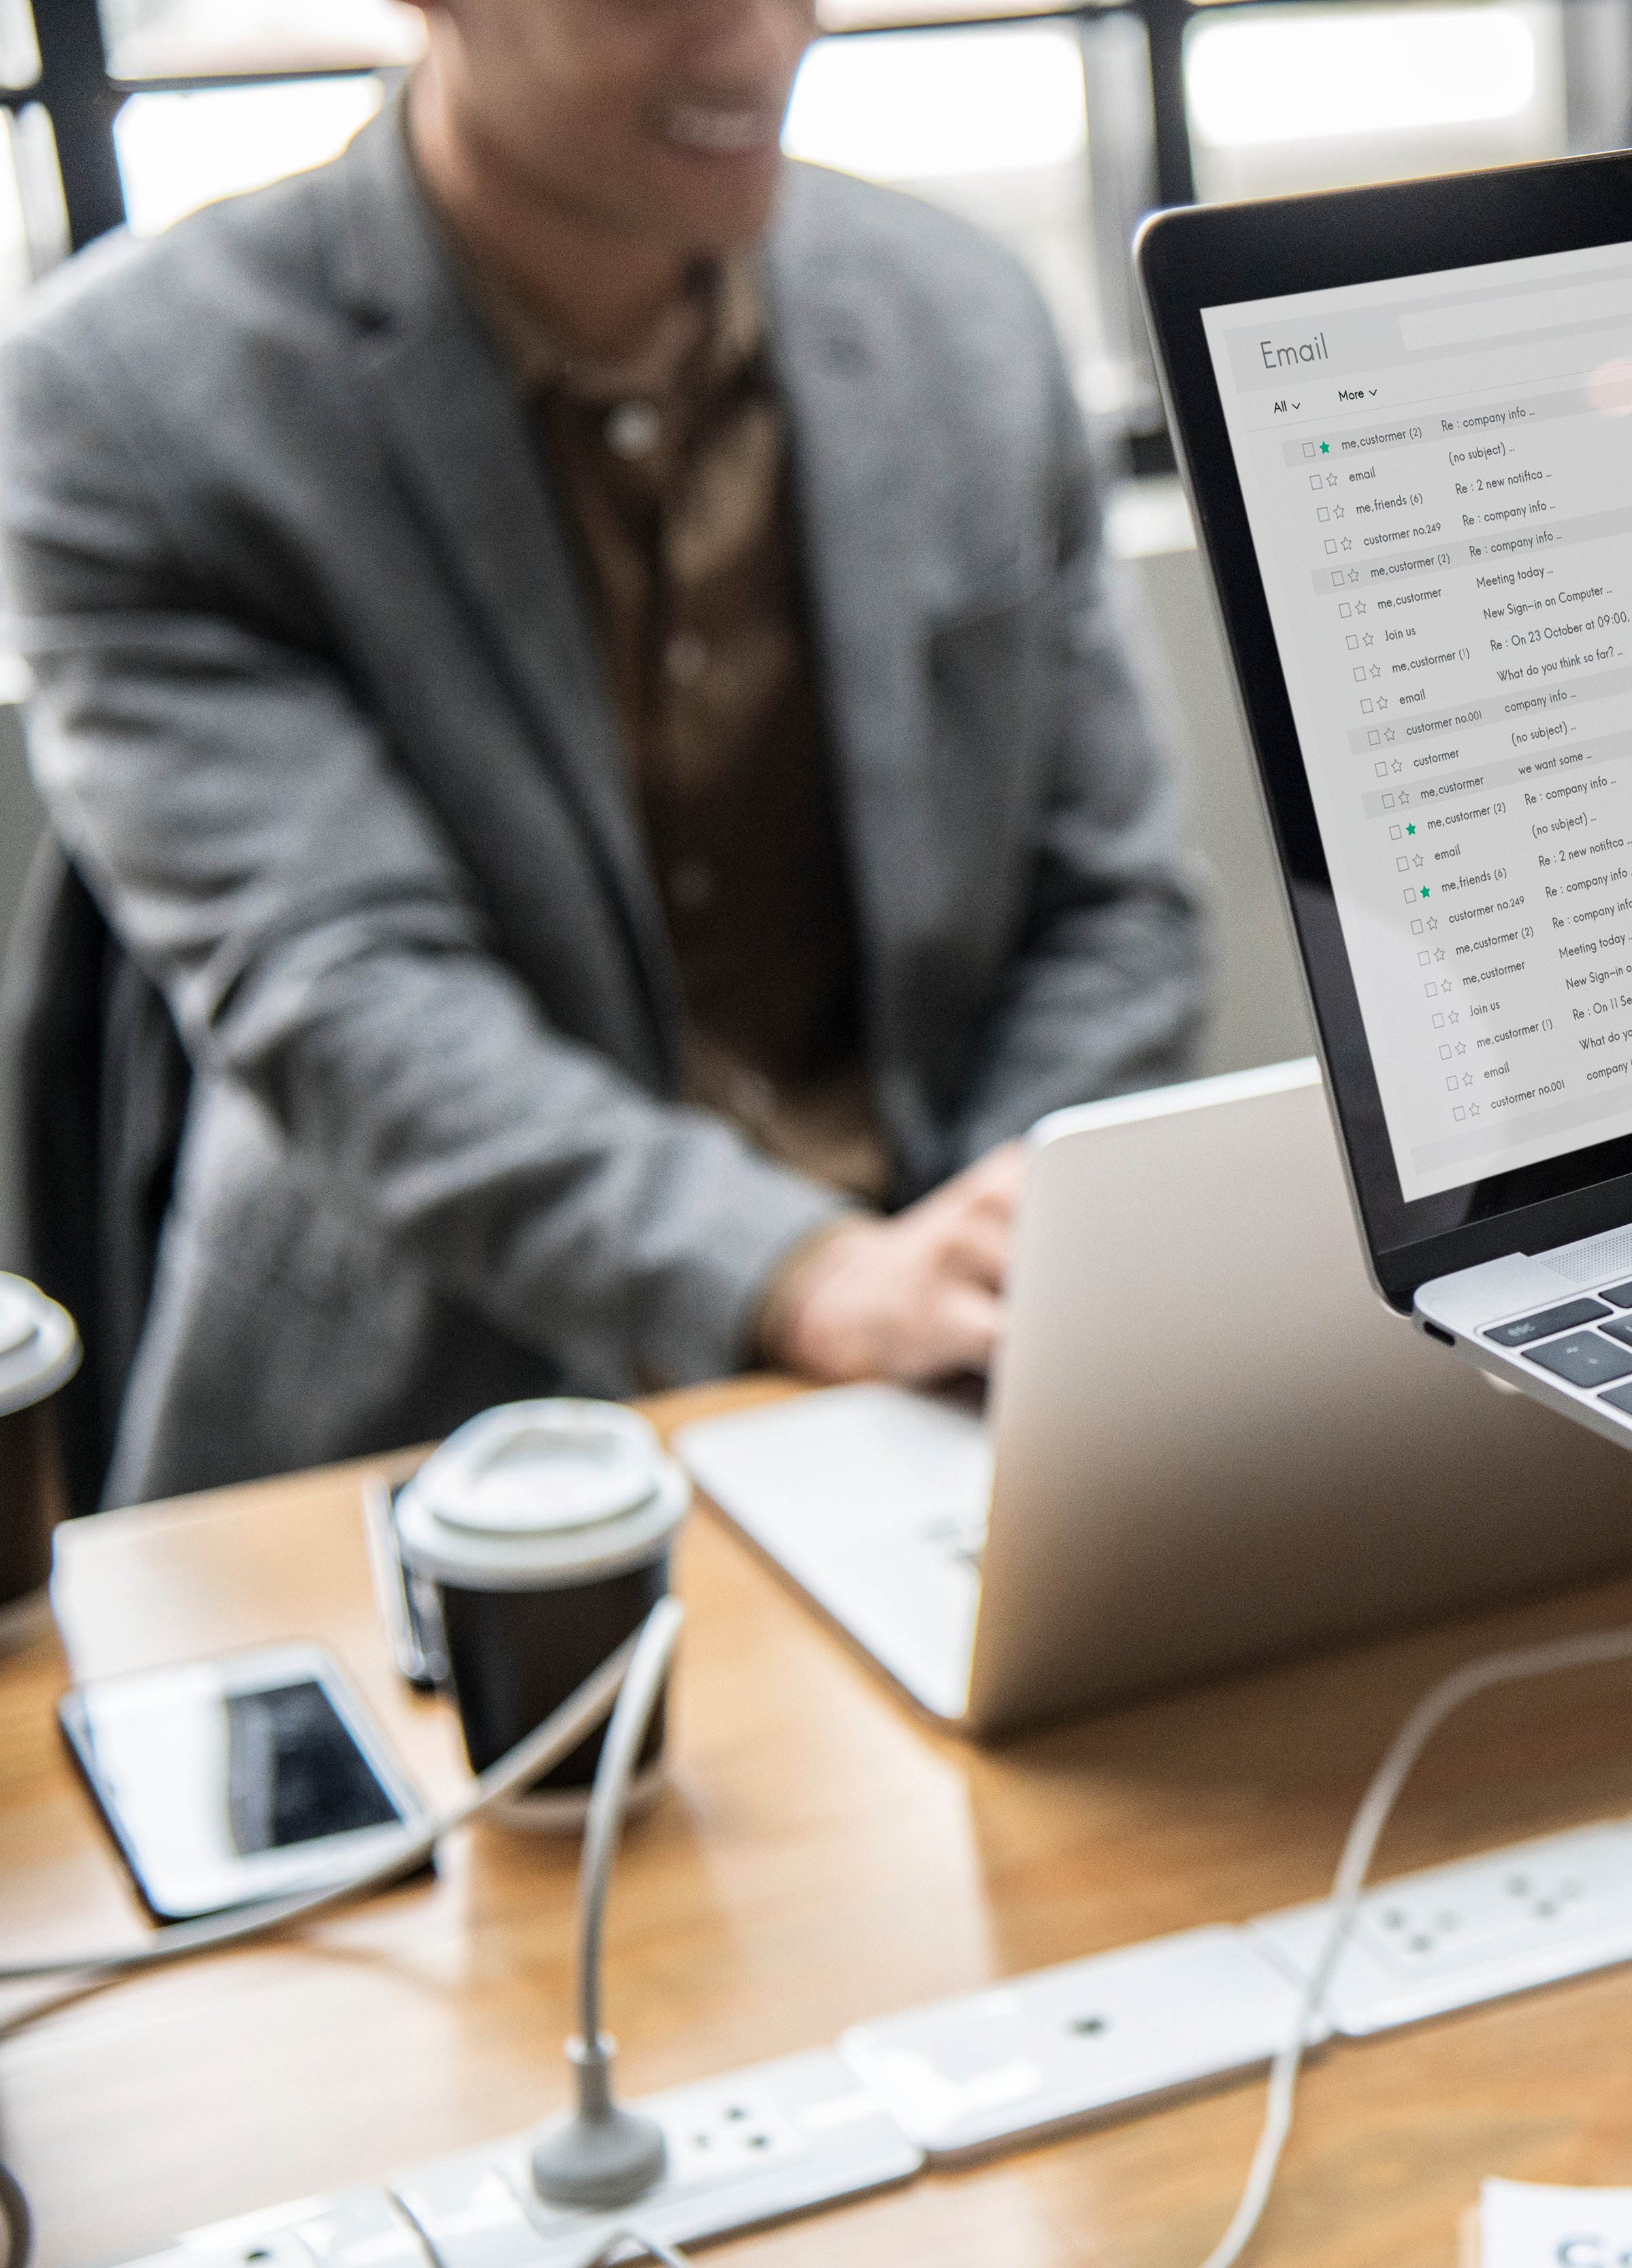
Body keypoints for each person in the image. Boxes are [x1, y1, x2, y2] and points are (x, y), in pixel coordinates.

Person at [1, 0, 1201, 1504]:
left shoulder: (963, 317)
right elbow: (346, 993)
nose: (757, 43)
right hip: (430, 1433)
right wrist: (803, 1276)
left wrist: (1003, 1242)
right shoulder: (132, 403)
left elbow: (1115, 901)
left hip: (947, 1379)